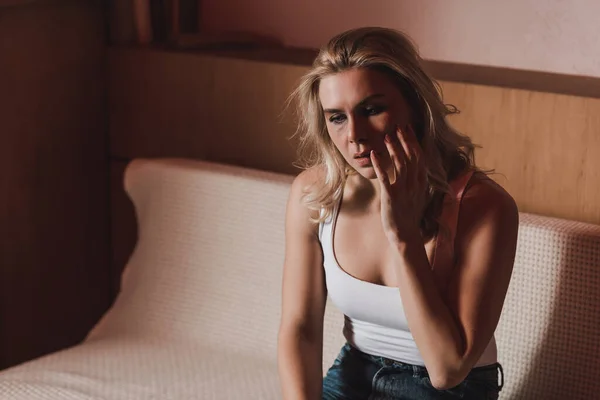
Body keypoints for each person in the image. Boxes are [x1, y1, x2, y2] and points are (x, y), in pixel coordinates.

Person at [277, 27, 518, 400]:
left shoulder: (483, 207)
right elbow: (301, 327)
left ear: (416, 106)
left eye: (372, 110)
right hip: (354, 373)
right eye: (336, 117)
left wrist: (403, 236)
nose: (354, 135)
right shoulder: (316, 194)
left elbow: (447, 369)